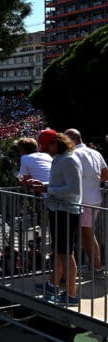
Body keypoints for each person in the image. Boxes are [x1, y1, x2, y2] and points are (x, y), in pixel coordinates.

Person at [28, 131, 83, 306]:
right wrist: (41, 185)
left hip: (67, 211)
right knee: (59, 251)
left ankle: (72, 295)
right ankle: (55, 286)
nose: (47, 150)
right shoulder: (59, 158)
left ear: (56, 142)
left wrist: (48, 190)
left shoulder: (69, 160)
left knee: (67, 253)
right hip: (58, 209)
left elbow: (74, 189)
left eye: (48, 146)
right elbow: (58, 184)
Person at [66, 128, 108, 276]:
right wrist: (92, 182)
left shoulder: (73, 154)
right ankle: (94, 265)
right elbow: (105, 174)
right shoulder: (95, 152)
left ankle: (96, 268)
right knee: (88, 233)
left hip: (83, 200)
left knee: (87, 234)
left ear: (71, 140)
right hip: (95, 198)